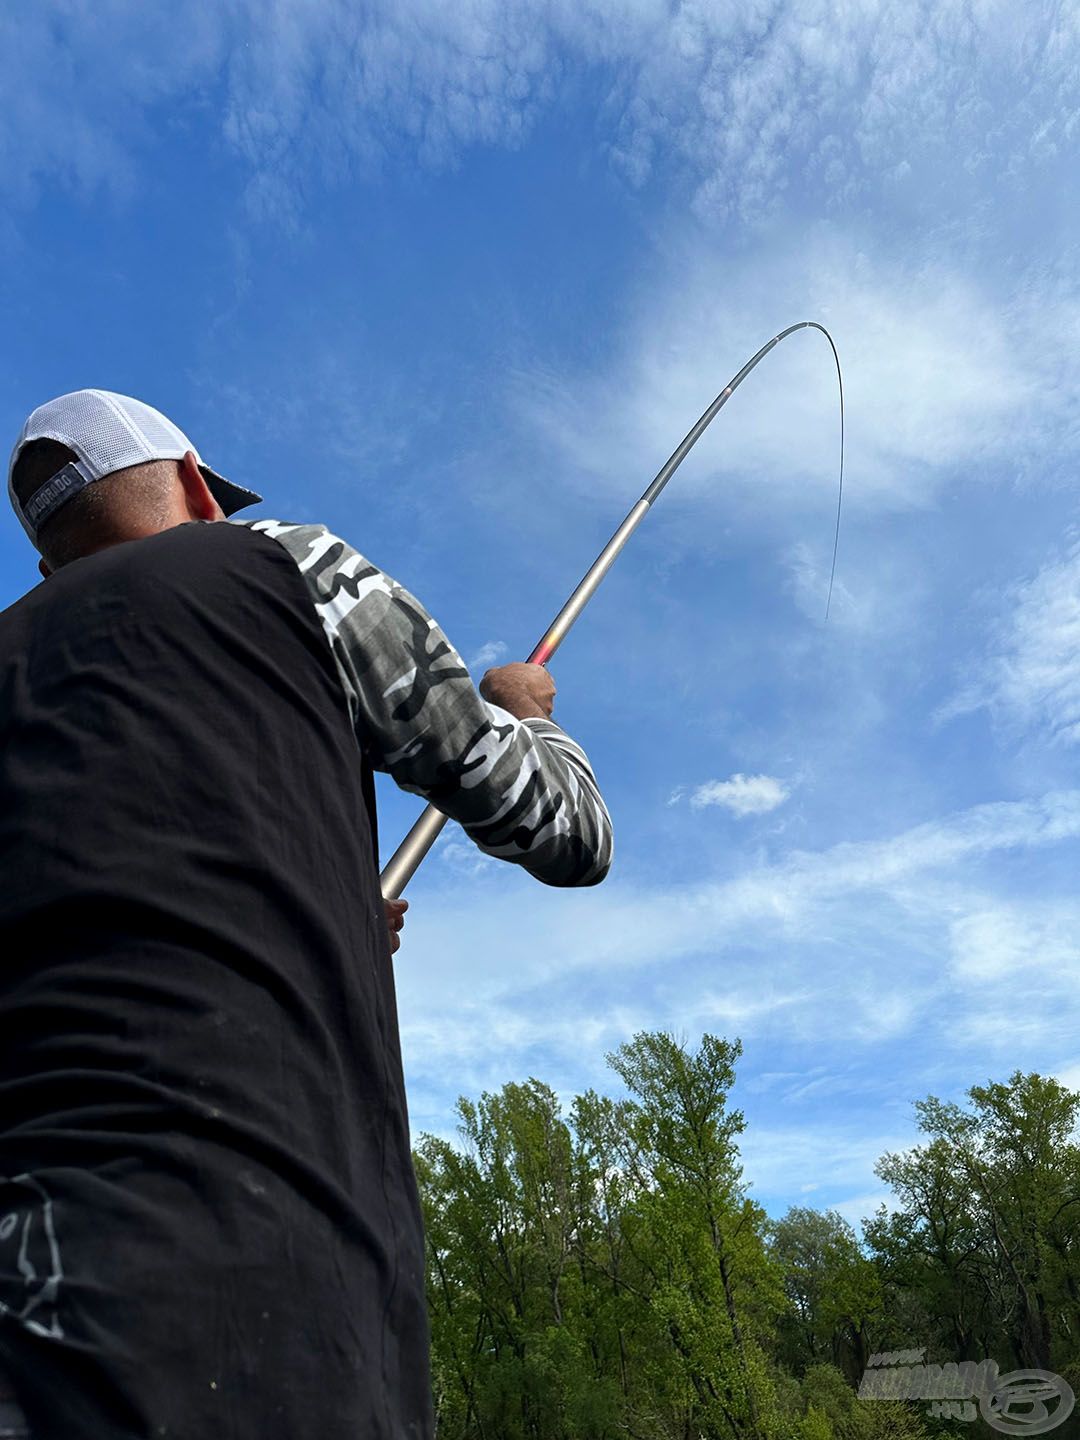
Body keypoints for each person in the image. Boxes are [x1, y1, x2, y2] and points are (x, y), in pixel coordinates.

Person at [0, 390, 613, 1439]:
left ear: (52, 563)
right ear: (198, 488)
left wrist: (328, 912)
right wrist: (529, 717)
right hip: (267, 1294)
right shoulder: (283, 563)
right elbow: (566, 834)